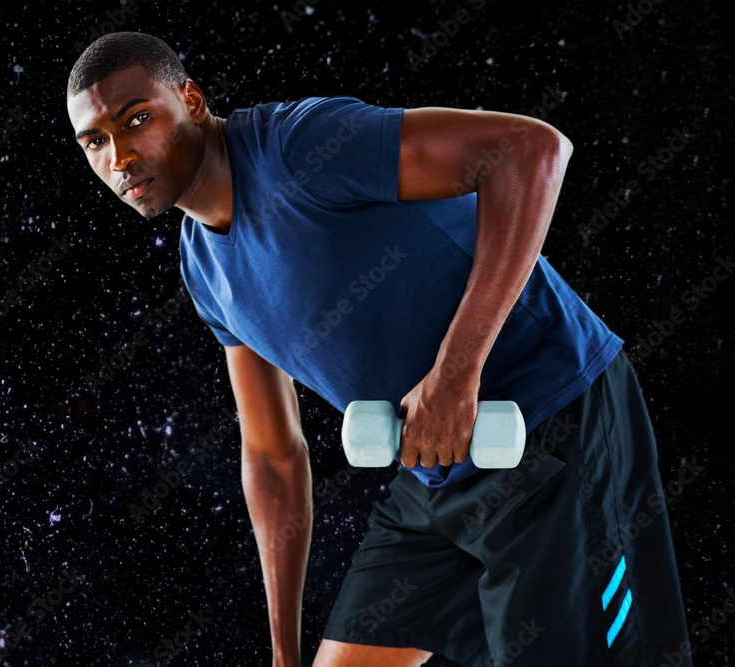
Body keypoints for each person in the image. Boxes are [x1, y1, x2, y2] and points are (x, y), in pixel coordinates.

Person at [67, 31, 692, 667]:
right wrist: (283, 652)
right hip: (438, 471)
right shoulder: (204, 271)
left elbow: (532, 150)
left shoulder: (298, 146)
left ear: (192, 101)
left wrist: (456, 373)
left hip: (558, 422)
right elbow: (272, 454)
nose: (118, 156)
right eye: (95, 141)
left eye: (137, 119)